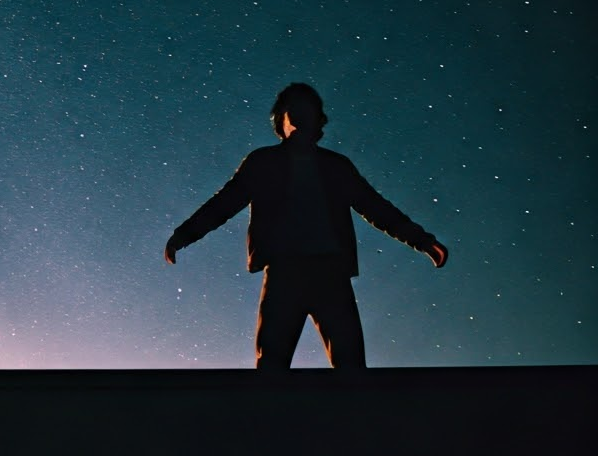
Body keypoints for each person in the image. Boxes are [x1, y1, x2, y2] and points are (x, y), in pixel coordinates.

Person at [164, 83, 448, 369]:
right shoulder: (262, 162)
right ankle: (268, 415)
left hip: (330, 272)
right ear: (281, 120)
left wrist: (421, 240)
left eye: (306, 109)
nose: (299, 114)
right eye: (292, 109)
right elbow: (224, 203)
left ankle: (354, 414)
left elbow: (375, 206)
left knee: (350, 364)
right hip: (284, 271)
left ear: (318, 119)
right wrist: (184, 235)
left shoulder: (337, 166)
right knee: (271, 364)